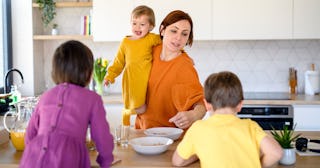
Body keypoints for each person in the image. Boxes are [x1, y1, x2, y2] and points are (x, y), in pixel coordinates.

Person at [20, 40, 114, 168]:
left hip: (34, 157)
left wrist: (34, 153)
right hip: (68, 157)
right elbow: (102, 138)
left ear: (55, 71)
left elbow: (30, 135)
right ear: (88, 72)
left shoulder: (45, 96)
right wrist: (105, 161)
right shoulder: (92, 99)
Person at [172, 71, 283, 168]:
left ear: (207, 105)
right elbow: (276, 152)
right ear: (240, 105)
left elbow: (177, 161)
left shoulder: (198, 128)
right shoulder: (250, 126)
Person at [135, 10, 206, 130]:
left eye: (184, 34)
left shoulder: (185, 66)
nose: (178, 38)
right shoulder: (148, 51)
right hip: (142, 133)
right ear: (162, 30)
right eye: (174, 31)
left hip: (172, 139)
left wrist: (194, 115)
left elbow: (201, 103)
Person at [104, 5, 161, 126]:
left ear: (151, 26)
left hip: (148, 81)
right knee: (142, 108)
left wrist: (182, 53)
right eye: (134, 23)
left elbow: (168, 41)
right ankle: (127, 113)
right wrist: (110, 76)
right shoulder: (125, 42)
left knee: (151, 107)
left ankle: (132, 117)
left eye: (142, 24)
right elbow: (118, 62)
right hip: (133, 81)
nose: (137, 27)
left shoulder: (151, 38)